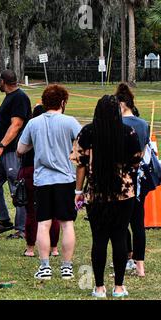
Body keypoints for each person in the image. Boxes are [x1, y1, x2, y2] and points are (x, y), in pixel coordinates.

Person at [71, 95, 142, 298]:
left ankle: (99, 287)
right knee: (119, 237)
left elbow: (80, 164)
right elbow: (136, 163)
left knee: (99, 239)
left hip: (95, 194)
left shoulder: (87, 132)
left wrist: (78, 191)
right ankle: (119, 287)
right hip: (123, 194)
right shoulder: (128, 133)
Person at [18, 84, 81, 280]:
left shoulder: (34, 123)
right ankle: (66, 267)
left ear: (44, 103)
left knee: (43, 224)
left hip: (43, 180)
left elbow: (21, 149)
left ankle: (44, 267)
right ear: (63, 102)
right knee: (67, 224)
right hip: (65, 179)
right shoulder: (70, 122)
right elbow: (84, 142)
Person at [0, 70, 32, 236]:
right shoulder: (10, 97)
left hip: (12, 152)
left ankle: (22, 228)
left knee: (18, 188)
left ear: (3, 81)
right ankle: (4, 220)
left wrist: (2, 145)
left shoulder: (19, 98)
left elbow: (17, 125)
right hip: (0, 154)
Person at [15, 105, 61, 257]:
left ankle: (30, 248)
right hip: (52, 173)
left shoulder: (29, 129)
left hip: (30, 171)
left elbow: (19, 151)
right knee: (53, 212)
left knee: (32, 212)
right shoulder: (54, 132)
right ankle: (54, 248)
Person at [116, 83, 149, 277]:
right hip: (139, 176)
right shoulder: (143, 124)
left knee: (120, 222)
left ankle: (127, 258)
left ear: (121, 104)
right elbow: (143, 152)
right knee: (138, 222)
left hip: (121, 177)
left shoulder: (117, 125)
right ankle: (140, 266)